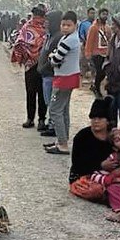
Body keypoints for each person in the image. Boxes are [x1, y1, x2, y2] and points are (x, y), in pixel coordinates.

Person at [43, 11, 81, 155]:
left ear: (75, 25)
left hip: (64, 78)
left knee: (54, 110)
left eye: (68, 25)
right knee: (63, 110)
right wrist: (54, 56)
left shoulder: (68, 40)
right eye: (63, 24)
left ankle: (63, 143)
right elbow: (56, 55)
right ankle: (61, 140)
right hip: (69, 76)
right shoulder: (70, 37)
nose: (65, 27)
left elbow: (54, 59)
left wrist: (53, 57)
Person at [12, 6, 48, 129]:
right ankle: (30, 118)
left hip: (44, 64)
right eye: (35, 14)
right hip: (30, 65)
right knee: (30, 93)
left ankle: (42, 119)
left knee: (43, 94)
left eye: (39, 15)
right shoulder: (26, 27)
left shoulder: (46, 29)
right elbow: (20, 41)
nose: (37, 17)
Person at [67, 97, 115, 184]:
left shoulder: (114, 136)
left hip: (107, 175)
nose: (96, 121)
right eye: (93, 118)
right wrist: (100, 165)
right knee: (96, 191)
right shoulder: (82, 136)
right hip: (83, 175)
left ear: (108, 121)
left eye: (100, 118)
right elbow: (77, 164)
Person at [37, 10, 64, 136]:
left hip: (51, 74)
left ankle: (53, 127)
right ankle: (51, 123)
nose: (45, 23)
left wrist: (43, 68)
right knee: (49, 101)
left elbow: (54, 57)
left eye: (48, 21)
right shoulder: (49, 36)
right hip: (45, 75)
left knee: (52, 102)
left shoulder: (58, 37)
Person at [84, 8, 112, 97]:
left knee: (103, 73)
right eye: (103, 14)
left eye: (106, 14)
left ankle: (96, 86)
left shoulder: (107, 28)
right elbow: (89, 41)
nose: (105, 16)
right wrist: (88, 53)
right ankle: (96, 88)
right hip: (96, 54)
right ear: (99, 15)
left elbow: (110, 40)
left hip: (105, 53)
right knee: (99, 72)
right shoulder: (94, 27)